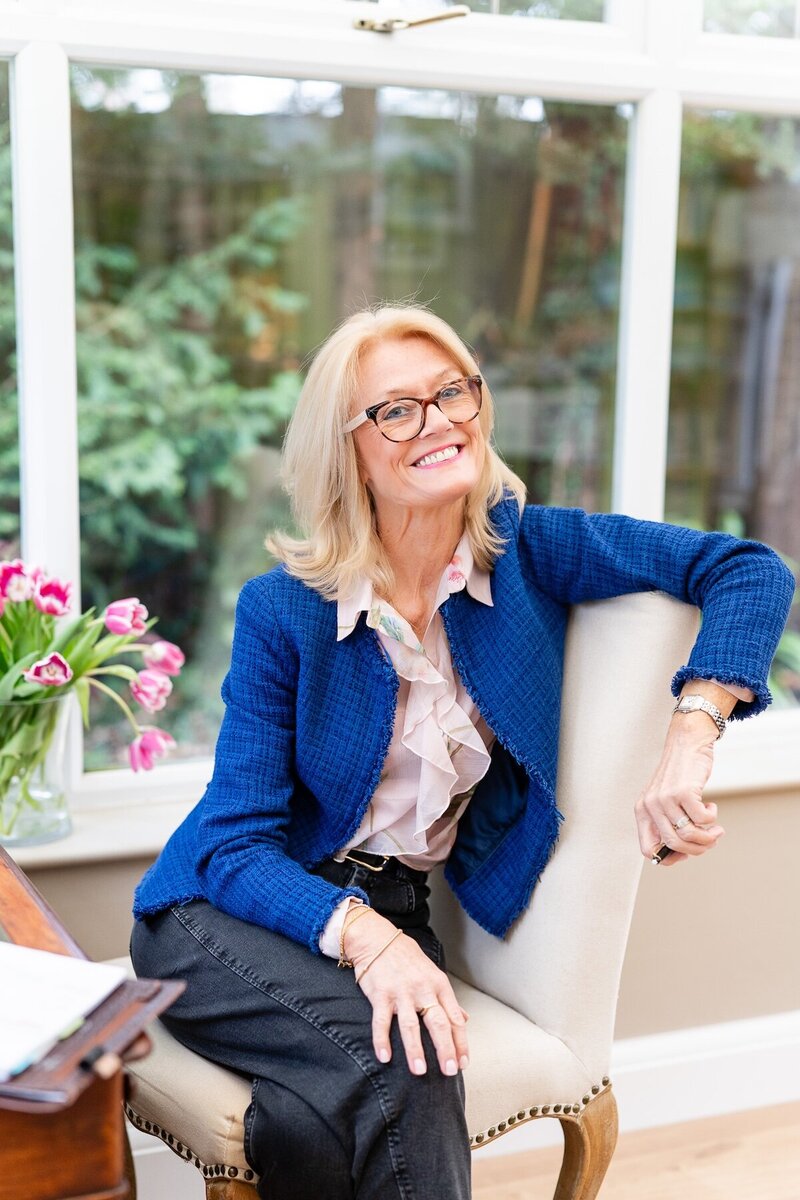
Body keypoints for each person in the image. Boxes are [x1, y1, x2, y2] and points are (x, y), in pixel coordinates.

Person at [131, 305, 794, 1200]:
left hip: (394, 908)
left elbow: (749, 567)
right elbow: (236, 844)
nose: (440, 420)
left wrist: (691, 734)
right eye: (397, 410)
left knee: (337, 1097)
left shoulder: (528, 550)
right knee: (411, 1067)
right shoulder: (282, 610)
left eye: (453, 392)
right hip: (220, 912)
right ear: (347, 451)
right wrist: (367, 941)